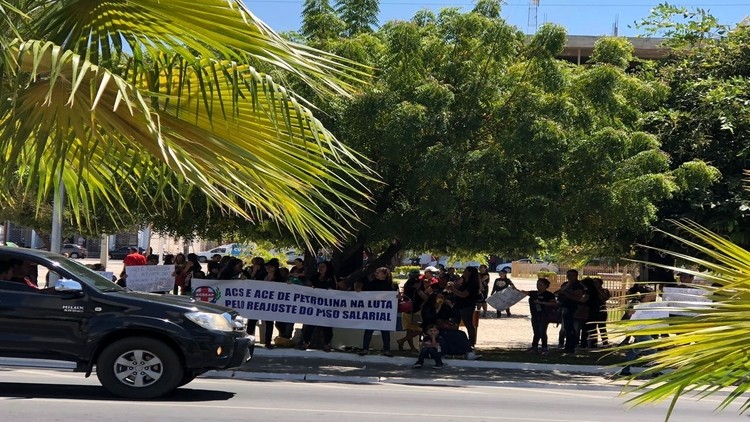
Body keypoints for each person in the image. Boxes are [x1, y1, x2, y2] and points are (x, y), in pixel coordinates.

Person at [358, 267, 398, 357]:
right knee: (368, 330)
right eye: (375, 272)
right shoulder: (370, 284)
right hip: (372, 312)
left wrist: (398, 298)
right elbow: (364, 295)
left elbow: (395, 298)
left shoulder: (392, 285)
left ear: (385, 274)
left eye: (378, 272)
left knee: (385, 331)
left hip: (385, 313)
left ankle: (387, 349)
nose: (376, 274)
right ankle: (365, 349)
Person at [300, 261, 336, 351]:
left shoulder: (331, 278)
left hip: (326, 306)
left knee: (327, 326)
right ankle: (305, 343)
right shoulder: (315, 277)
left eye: (323, 267)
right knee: (310, 325)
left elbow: (334, 290)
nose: (320, 268)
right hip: (314, 305)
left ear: (327, 268)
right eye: (319, 267)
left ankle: (327, 344)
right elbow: (307, 285)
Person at [522, 278, 558, 354]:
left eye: (540, 284)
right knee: (536, 332)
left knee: (542, 331)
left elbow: (554, 304)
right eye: (537, 284)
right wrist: (514, 289)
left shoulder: (549, 295)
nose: (538, 286)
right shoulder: (533, 293)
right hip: (534, 315)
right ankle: (534, 347)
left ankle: (544, 348)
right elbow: (523, 292)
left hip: (544, 316)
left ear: (545, 286)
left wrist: (542, 302)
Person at [557, 269, 588, 355]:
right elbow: (558, 292)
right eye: (568, 275)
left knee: (573, 328)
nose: (569, 277)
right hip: (565, 307)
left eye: (572, 275)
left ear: (576, 276)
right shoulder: (566, 284)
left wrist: (566, 294)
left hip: (574, 308)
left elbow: (579, 298)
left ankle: (571, 347)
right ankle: (567, 346)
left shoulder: (578, 285)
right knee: (567, 328)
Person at [448, 266, 480, 348]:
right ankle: (454, 340)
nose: (464, 272)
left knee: (468, 323)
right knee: (454, 322)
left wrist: (453, 289)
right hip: (459, 304)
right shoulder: (465, 281)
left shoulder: (472, 283)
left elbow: (463, 294)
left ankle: (471, 342)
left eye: (465, 271)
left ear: (469, 272)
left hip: (467, 305)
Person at [397, 269, 427, 352]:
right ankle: (409, 346)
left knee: (418, 329)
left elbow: (423, 296)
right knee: (415, 330)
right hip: (410, 309)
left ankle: (403, 341)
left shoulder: (418, 283)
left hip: (415, 309)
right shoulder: (409, 284)